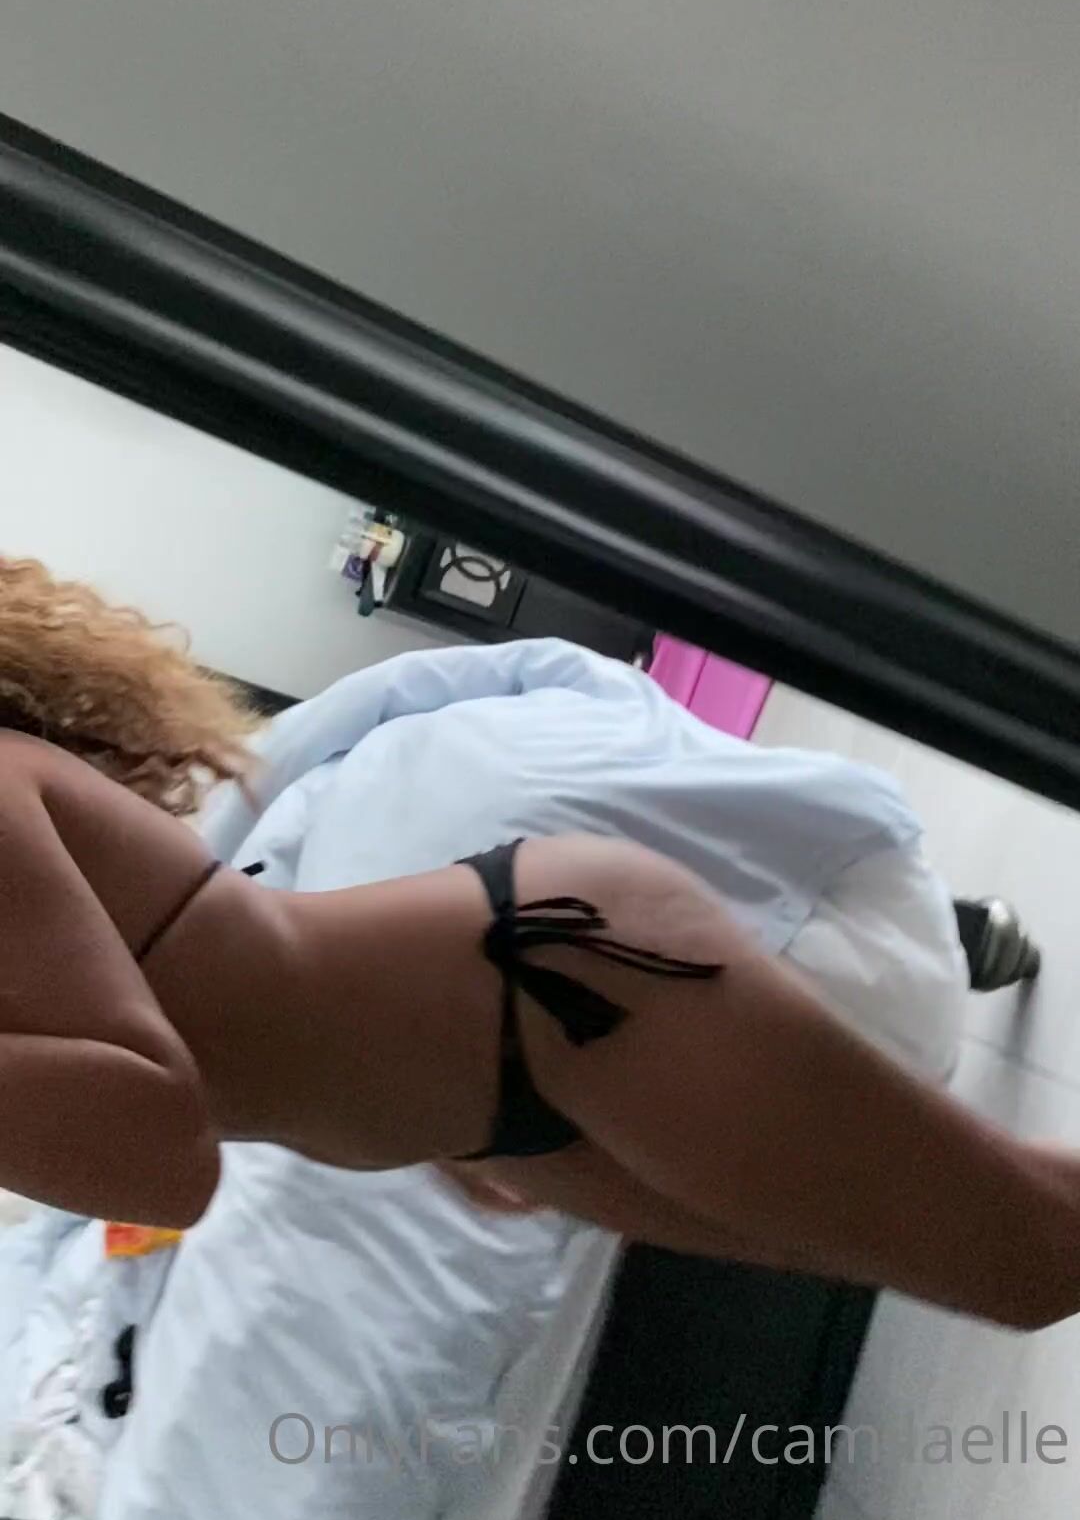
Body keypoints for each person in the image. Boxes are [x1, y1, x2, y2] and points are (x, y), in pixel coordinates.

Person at [0, 559, 1066, 1334]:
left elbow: (165, 1152)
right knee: (1000, 1248)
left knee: (1028, 1260)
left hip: (559, 987)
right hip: (493, 1104)